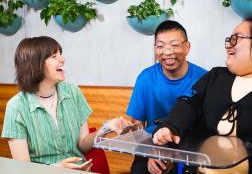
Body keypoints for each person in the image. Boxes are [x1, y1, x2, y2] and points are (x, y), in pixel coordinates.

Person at [1, 36, 130, 171]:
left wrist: (106, 128)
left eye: (60, 54)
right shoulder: (17, 107)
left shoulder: (73, 92)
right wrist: (57, 169)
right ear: (35, 64)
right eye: (54, 56)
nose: (62, 59)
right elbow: (22, 170)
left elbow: (83, 144)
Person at [153, 20, 252, 173]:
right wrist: (170, 126)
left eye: (236, 38)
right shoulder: (215, 76)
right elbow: (189, 103)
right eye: (229, 39)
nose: (228, 45)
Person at [126, 20, 207, 174]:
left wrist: (174, 156)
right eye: (160, 46)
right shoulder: (145, 77)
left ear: (187, 47)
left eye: (174, 45)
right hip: (152, 145)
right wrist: (150, 153)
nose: (167, 52)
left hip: (188, 148)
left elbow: (207, 127)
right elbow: (137, 124)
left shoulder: (204, 78)